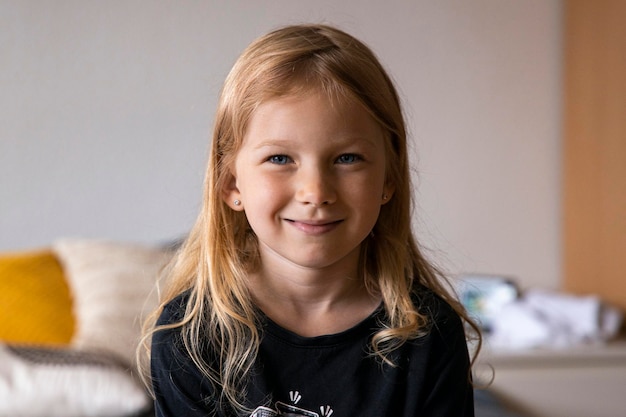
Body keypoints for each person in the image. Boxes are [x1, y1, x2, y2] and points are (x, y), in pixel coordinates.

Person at [139, 24, 480, 417]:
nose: (315, 192)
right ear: (231, 183)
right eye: (280, 159)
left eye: (347, 158)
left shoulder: (429, 335)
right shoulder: (190, 336)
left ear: (388, 178)